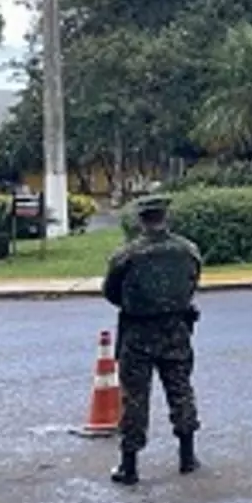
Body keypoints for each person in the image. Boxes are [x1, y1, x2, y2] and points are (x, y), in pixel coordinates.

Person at [102, 195, 203, 486]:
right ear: (165, 217)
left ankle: (129, 466)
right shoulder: (187, 250)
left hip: (138, 333)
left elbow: (111, 292)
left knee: (135, 398)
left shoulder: (127, 255)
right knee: (180, 390)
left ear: (141, 219)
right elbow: (193, 281)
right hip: (176, 329)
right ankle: (187, 456)